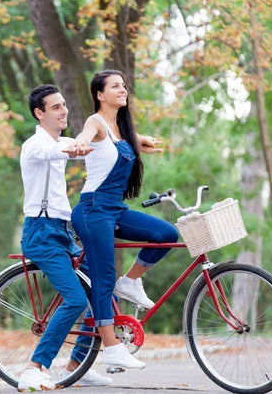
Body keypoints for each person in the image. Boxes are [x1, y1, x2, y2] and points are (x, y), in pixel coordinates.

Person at [69, 70, 180, 370]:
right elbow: (86, 135)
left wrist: (140, 141)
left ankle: (130, 281)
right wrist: (80, 142)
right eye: (114, 86)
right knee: (102, 279)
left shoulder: (121, 128)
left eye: (123, 85)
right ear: (100, 95)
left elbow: (123, 144)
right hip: (92, 210)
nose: (122, 89)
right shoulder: (97, 123)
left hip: (113, 209)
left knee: (166, 234)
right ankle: (112, 347)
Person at [17, 84, 113, 391]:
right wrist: (75, 149)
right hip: (41, 233)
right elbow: (52, 151)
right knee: (74, 300)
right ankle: (35, 368)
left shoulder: (63, 141)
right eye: (55, 107)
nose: (64, 110)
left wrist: (135, 143)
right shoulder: (34, 145)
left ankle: (76, 366)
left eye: (63, 105)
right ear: (39, 113)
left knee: (103, 294)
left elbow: (102, 142)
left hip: (63, 232)